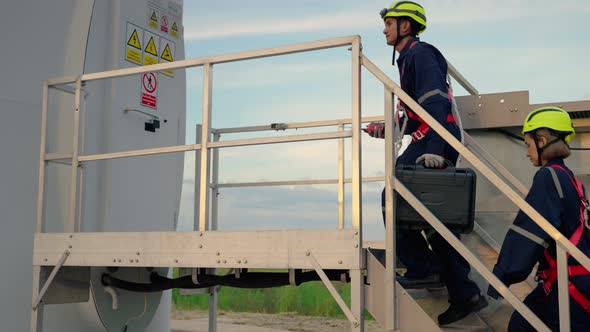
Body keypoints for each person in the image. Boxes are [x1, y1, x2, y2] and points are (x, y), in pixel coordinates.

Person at [365, 1, 487, 325]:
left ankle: (423, 269)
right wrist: (387, 128)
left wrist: (438, 148)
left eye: (389, 23)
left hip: (435, 139)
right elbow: (414, 111)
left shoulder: (420, 54)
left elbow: (435, 103)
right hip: (430, 137)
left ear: (406, 26)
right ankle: (464, 293)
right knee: (433, 220)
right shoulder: (408, 60)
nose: (384, 28)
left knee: (392, 197)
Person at [487, 106, 590, 331]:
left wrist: (503, 274)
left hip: (568, 288)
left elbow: (529, 230)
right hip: (572, 282)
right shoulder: (572, 180)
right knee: (521, 325)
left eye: (528, 144)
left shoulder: (548, 176)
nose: (527, 152)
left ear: (541, 140)